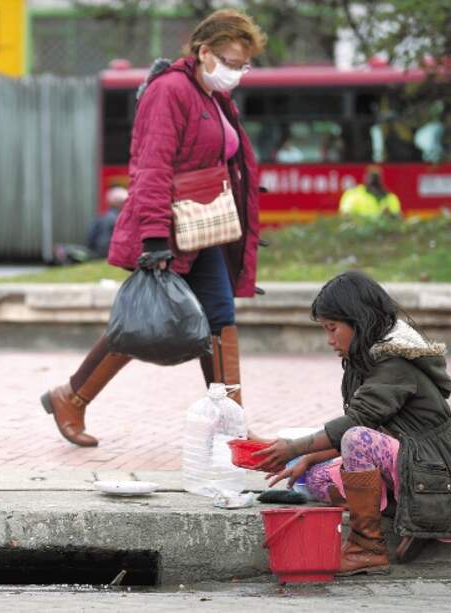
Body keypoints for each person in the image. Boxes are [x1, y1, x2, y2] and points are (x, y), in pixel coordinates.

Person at [40, 8, 265, 447]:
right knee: (146, 320)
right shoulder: (170, 91)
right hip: (172, 232)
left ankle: (230, 423)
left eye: (244, 66)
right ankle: (72, 395)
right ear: (204, 52)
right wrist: (155, 239)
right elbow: (151, 168)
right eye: (233, 63)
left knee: (220, 322)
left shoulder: (212, 96)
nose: (238, 73)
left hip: (206, 230)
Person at [252, 271, 451, 575]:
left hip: (444, 479)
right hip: (414, 465)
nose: (329, 340)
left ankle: (367, 547)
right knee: (316, 477)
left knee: (357, 440)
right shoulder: (366, 358)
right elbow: (373, 425)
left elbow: (359, 424)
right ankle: (409, 518)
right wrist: (308, 457)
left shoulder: (395, 362)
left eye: (332, 328)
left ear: (360, 321)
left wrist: (292, 448)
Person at [87, 185, 128, 258]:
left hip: (97, 254)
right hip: (112, 255)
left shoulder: (99, 218)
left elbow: (90, 238)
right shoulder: (122, 219)